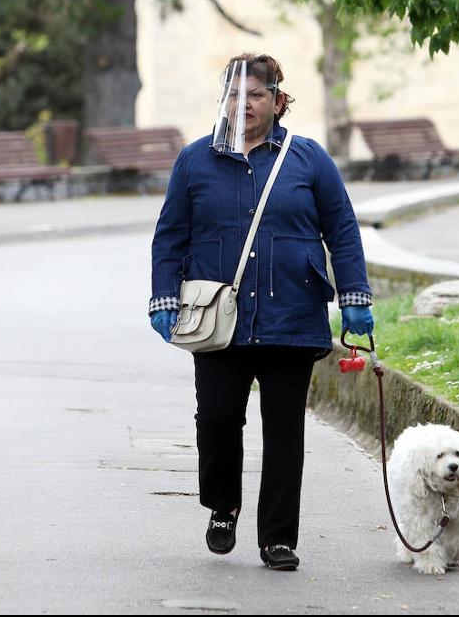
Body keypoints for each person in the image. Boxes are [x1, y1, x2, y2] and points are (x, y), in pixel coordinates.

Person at [148, 52, 375, 571]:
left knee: (284, 430)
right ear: (222, 98)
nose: (243, 103)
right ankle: (222, 506)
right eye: (234, 93)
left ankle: (277, 537)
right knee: (219, 419)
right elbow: (169, 235)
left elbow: (342, 230)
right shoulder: (194, 160)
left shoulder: (309, 159)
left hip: (291, 316)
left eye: (255, 94)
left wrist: (355, 298)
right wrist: (164, 297)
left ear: (277, 100)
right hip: (219, 320)